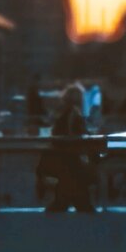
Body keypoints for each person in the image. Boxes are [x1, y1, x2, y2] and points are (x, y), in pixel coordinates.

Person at [43, 84, 96, 213]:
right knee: (75, 183)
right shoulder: (74, 114)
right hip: (69, 155)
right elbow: (77, 134)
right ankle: (78, 205)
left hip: (63, 155)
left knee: (70, 185)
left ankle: (67, 204)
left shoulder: (64, 114)